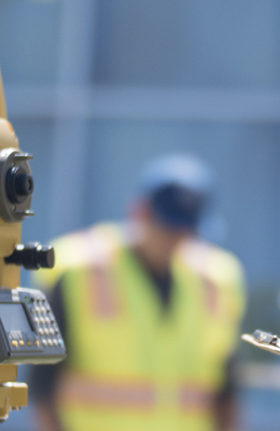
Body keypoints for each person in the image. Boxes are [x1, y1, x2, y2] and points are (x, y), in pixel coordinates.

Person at [28, 154, 246, 431]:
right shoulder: (77, 270)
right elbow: (42, 385)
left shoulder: (217, 279)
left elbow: (227, 390)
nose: (176, 240)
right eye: (168, 228)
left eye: (185, 231)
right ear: (140, 212)